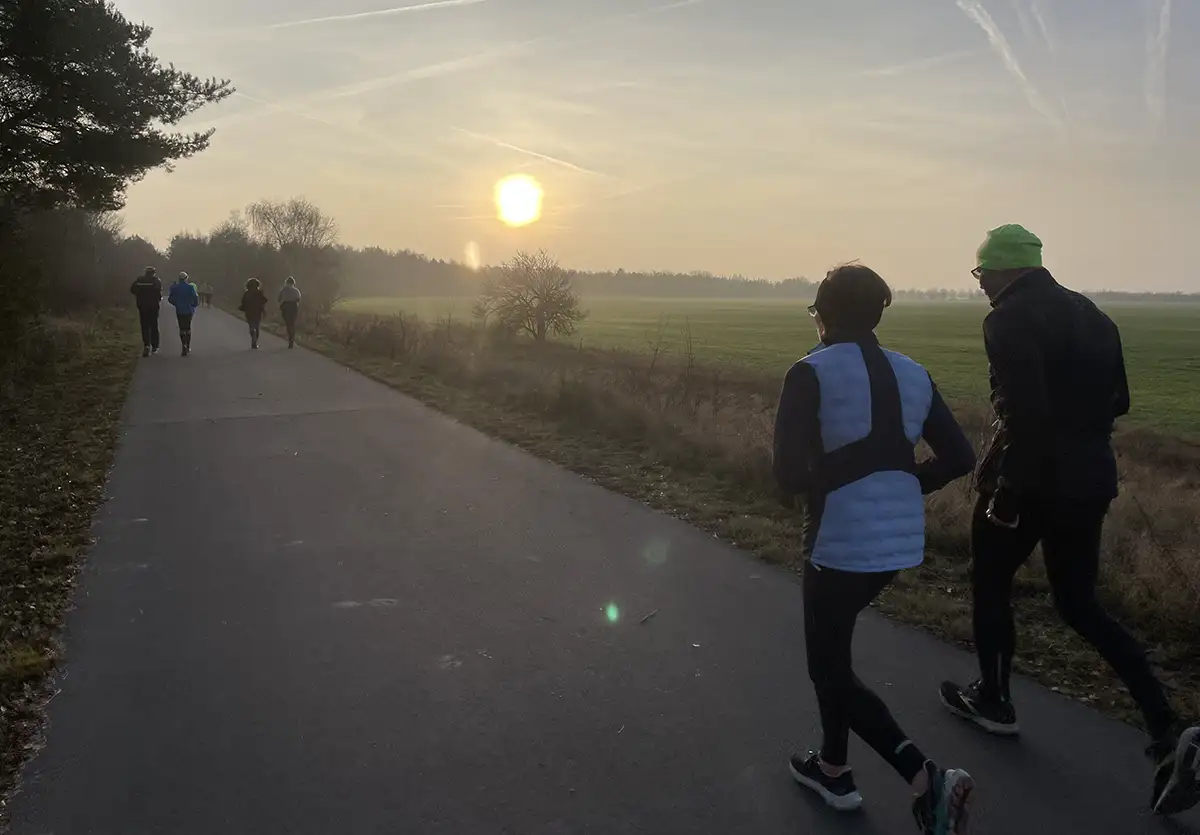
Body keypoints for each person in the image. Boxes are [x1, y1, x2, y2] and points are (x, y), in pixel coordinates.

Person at [938, 225, 1200, 816]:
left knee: (990, 583)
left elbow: (1027, 413)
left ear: (1002, 271)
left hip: (1030, 476)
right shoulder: (1092, 314)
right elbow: (1121, 401)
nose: (980, 287)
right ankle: (1167, 728)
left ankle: (994, 700)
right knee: (1079, 604)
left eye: (980, 276)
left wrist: (1008, 488)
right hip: (1090, 476)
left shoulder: (1007, 318)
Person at [774, 264, 978, 834]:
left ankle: (923, 777)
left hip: (837, 539)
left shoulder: (808, 373)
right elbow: (961, 457)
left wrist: (833, 471)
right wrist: (906, 480)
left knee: (828, 668)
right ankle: (833, 768)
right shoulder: (914, 372)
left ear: (823, 314)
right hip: (898, 542)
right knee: (834, 658)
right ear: (878, 314)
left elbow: (787, 475)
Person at [130, 266, 163, 357]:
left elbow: (132, 290)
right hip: (153, 307)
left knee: (144, 326)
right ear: (153, 273)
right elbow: (159, 291)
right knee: (154, 326)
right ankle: (155, 346)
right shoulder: (156, 281)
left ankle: (146, 345)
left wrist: (140, 295)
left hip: (142, 306)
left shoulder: (139, 280)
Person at [167, 271, 200, 356]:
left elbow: (170, 299)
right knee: (188, 328)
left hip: (179, 310)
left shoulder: (175, 288)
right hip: (189, 310)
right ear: (186, 279)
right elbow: (195, 298)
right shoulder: (190, 287)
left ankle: (183, 345)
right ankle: (187, 345)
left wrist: (176, 304)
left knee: (181, 328)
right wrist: (194, 305)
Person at [239, 277, 269, 349]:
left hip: (249, 310)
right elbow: (265, 300)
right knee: (257, 324)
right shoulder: (260, 292)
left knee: (251, 324)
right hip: (257, 310)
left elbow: (243, 301)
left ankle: (252, 332)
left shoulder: (246, 293)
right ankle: (255, 341)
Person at [278, 276, 302, 349]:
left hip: (285, 306)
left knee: (288, 323)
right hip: (293, 306)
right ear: (293, 283)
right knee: (292, 323)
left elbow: (279, 299)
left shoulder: (283, 290)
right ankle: (292, 338)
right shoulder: (296, 290)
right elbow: (298, 299)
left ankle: (290, 337)